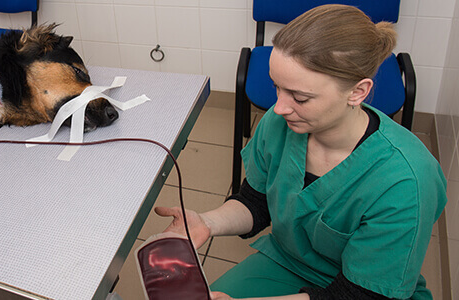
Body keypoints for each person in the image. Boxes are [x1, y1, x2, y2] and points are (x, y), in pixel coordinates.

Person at [156, 4, 446, 300]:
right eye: (277, 88)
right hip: (290, 263)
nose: (279, 107)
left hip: (365, 290)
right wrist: (208, 222)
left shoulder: (405, 181)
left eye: (300, 97)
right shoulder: (281, 123)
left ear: (358, 92)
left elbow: (360, 295)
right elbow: (256, 201)